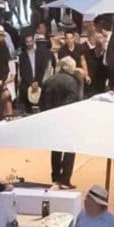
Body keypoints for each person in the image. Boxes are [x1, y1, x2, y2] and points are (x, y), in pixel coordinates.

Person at [38, 57, 84, 187]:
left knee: (56, 148)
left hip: (51, 119)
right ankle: (65, 180)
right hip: (66, 119)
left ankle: (56, 176)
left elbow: (41, 102)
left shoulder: (48, 81)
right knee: (70, 148)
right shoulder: (73, 82)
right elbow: (73, 101)